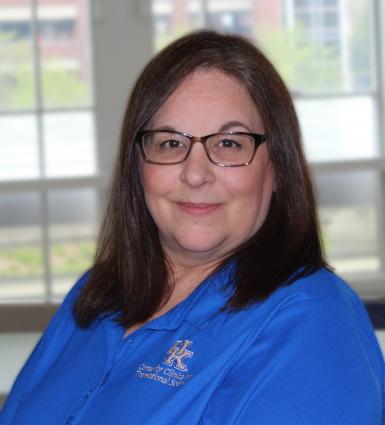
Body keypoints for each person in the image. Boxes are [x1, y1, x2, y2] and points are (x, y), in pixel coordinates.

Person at [1, 30, 384, 425]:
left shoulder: (314, 326)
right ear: (138, 167)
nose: (195, 173)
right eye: (169, 143)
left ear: (278, 168)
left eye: (230, 143)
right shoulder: (95, 298)